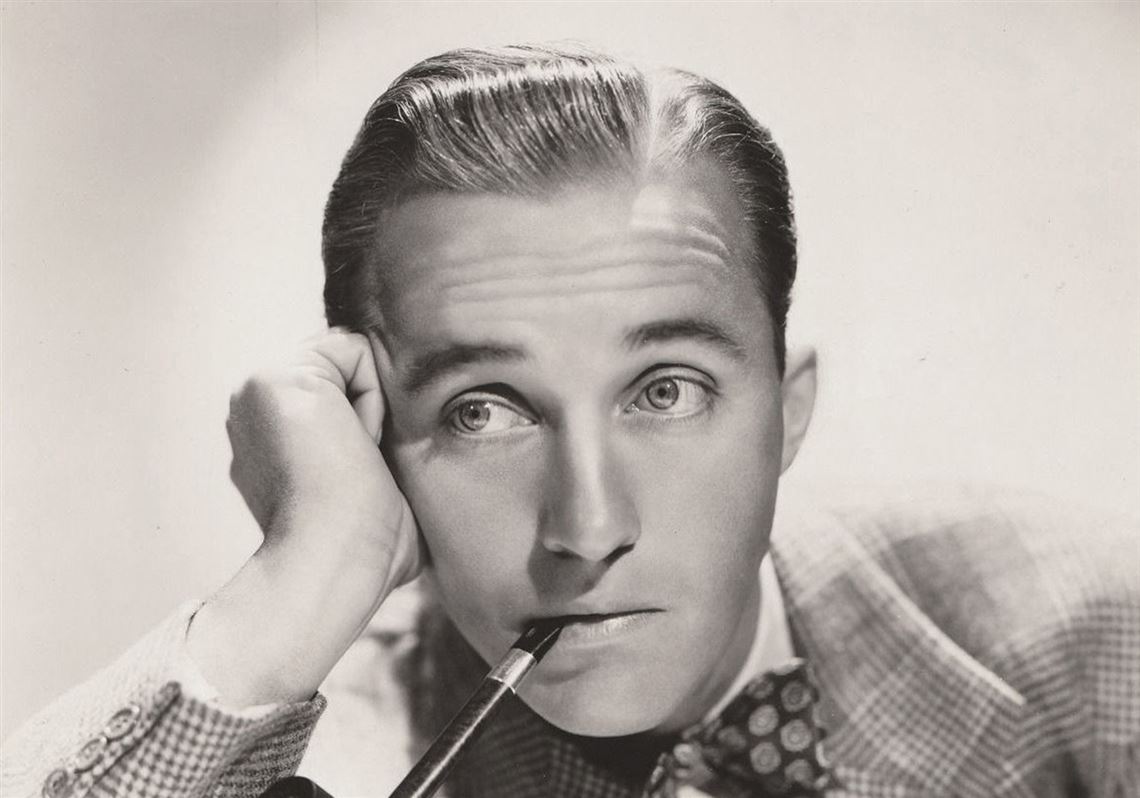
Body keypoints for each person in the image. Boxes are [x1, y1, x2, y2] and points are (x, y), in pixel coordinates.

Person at [2, 44, 1138, 798]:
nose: (587, 531)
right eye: (482, 410)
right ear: (375, 437)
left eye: (665, 391)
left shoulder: (1090, 635)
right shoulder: (330, 747)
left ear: (787, 414)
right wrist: (301, 575)